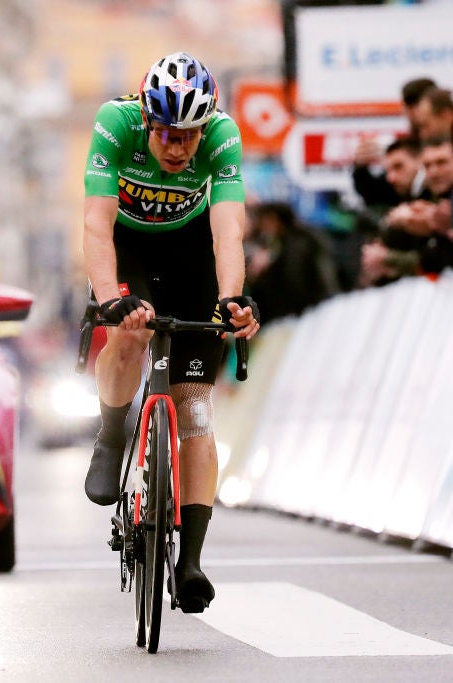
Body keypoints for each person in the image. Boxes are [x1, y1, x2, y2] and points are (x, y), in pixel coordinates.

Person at [81, 52, 259, 614]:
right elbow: (96, 224)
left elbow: (228, 231)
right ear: (146, 119)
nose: (178, 148)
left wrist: (231, 299)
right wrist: (108, 298)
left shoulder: (223, 136)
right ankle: (112, 433)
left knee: (195, 411)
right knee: (129, 334)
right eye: (166, 134)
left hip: (190, 255)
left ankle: (191, 561)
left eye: (189, 135)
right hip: (129, 247)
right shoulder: (116, 123)